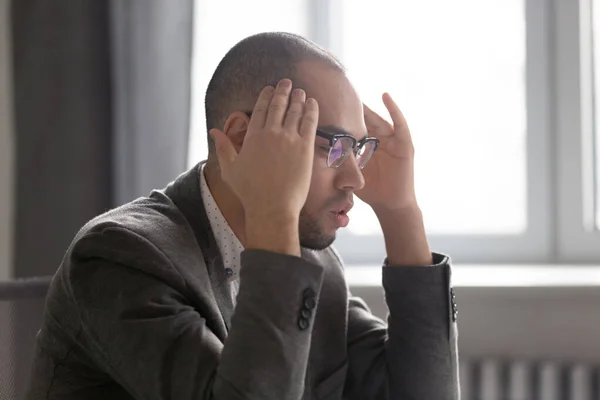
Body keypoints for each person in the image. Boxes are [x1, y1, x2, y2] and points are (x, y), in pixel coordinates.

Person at [26, 32, 460, 400]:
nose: (356, 179)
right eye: (334, 145)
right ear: (240, 137)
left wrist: (402, 216)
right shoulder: (119, 257)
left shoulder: (313, 262)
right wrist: (272, 214)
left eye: (359, 150)